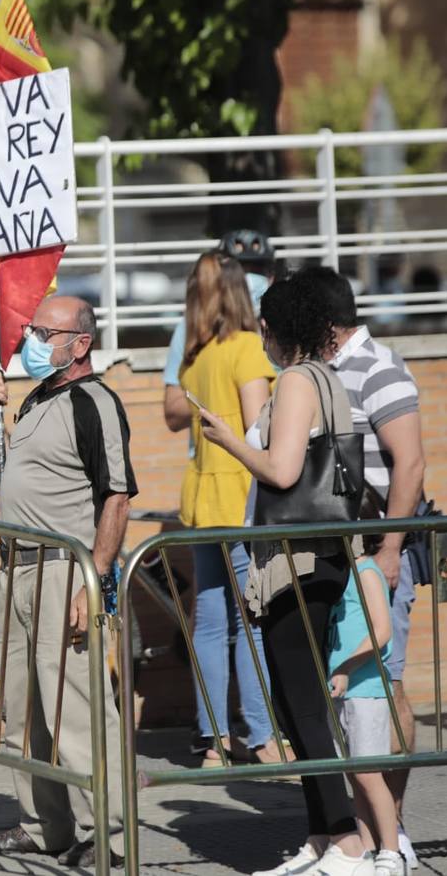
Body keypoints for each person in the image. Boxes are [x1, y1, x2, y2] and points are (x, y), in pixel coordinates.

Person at [201, 276, 374, 876]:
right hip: (307, 555)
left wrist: (228, 441)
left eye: (265, 328)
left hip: (299, 560)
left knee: (301, 700)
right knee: (290, 697)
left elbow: (281, 470)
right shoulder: (321, 377)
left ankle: (348, 842)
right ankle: (322, 838)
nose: (262, 338)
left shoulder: (300, 381)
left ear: (279, 329)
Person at [0, 295, 132, 869]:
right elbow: (15, 472)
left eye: (45, 331)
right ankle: (46, 825)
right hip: (17, 570)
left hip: (64, 571)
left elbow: (117, 496)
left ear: (80, 343)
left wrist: (92, 579)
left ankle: (109, 834)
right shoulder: (40, 397)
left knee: (77, 710)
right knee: (24, 711)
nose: (31, 340)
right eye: (32, 329)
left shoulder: (95, 402)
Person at [299, 264, 426, 871]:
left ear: (324, 325)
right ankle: (368, 832)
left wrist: (392, 548)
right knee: (356, 700)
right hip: (345, 555)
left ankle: (392, 832)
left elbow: (410, 464)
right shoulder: (327, 371)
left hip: (378, 551)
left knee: (386, 688)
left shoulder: (379, 369)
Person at [176, 252, 282, 767]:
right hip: (240, 499)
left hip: (201, 501)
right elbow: (260, 429)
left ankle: (214, 741)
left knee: (212, 624)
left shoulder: (196, 356)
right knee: (253, 622)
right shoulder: (245, 349)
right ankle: (263, 737)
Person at [327, 508, 402, 876]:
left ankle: (392, 850)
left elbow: (382, 631)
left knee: (369, 774)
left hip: (366, 688)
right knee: (355, 775)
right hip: (344, 689)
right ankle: (369, 848)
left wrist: (346, 667)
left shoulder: (367, 571)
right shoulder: (343, 574)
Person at [164, 229, 275, 433]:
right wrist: (221, 390)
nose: (247, 278)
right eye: (239, 268)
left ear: (271, 275)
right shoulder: (192, 327)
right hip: (222, 457)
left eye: (257, 268)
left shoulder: (283, 325)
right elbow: (260, 432)